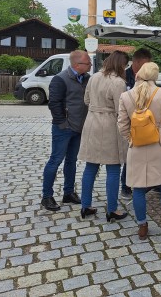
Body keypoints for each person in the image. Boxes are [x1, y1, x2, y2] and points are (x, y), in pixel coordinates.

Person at [117, 62, 161, 240]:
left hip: (136, 145)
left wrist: (131, 138)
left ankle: (142, 227)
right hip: (159, 142)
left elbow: (122, 125)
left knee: (138, 187)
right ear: (155, 76)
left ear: (139, 74)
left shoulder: (125, 96)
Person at [78, 51, 130, 222]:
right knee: (114, 168)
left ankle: (85, 206)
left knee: (90, 167)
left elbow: (86, 100)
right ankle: (112, 209)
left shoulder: (93, 77)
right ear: (121, 64)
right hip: (108, 125)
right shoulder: (118, 82)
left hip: (92, 122)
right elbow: (119, 109)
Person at [41, 50, 91, 211]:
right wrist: (62, 123)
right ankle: (47, 196)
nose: (90, 65)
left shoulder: (87, 78)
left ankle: (68, 193)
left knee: (72, 161)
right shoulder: (60, 79)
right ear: (77, 65)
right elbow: (53, 103)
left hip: (78, 127)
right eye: (88, 63)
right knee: (55, 161)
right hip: (64, 128)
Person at [122, 48, 152, 198]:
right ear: (137, 62)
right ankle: (126, 185)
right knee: (130, 156)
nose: (147, 68)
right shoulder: (124, 77)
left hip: (146, 123)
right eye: (145, 64)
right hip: (130, 123)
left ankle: (151, 183)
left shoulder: (148, 78)